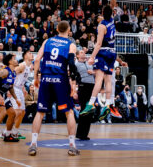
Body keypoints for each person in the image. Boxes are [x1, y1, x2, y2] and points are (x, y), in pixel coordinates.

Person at [28, 21, 80, 156]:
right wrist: (73, 84)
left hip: (45, 78)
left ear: (57, 29)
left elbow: (38, 58)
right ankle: (72, 146)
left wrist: (36, 77)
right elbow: (71, 64)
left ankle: (33, 144)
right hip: (60, 79)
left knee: (40, 112)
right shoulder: (71, 44)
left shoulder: (48, 41)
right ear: (69, 30)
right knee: (69, 112)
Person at [80, 0, 126, 121]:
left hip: (104, 52)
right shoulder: (111, 19)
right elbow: (110, 3)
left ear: (101, 15)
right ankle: (107, 106)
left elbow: (99, 43)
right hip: (112, 53)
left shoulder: (101, 26)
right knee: (108, 81)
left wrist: (91, 57)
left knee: (99, 80)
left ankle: (90, 104)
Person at [0, 54, 21, 144]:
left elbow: (10, 87)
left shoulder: (13, 73)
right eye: (14, 59)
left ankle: (8, 135)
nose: (16, 60)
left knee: (12, 113)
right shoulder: (5, 71)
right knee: (3, 112)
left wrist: (16, 98)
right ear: (10, 61)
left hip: (3, 94)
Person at [8, 50, 33, 140]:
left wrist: (23, 88)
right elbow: (11, 74)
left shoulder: (29, 67)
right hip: (14, 88)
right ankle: (6, 133)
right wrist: (8, 89)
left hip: (19, 89)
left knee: (22, 112)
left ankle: (15, 132)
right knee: (17, 112)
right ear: (25, 56)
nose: (31, 54)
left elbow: (21, 78)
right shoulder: (22, 65)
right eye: (29, 53)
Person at [75, 50, 95, 140]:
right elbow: (74, 77)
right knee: (83, 109)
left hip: (92, 87)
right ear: (78, 55)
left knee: (90, 110)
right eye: (82, 52)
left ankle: (85, 134)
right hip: (83, 87)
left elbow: (97, 73)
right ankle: (80, 134)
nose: (84, 53)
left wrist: (93, 73)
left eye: (84, 52)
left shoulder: (89, 63)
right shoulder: (76, 64)